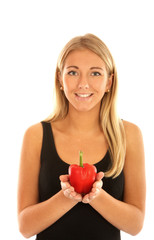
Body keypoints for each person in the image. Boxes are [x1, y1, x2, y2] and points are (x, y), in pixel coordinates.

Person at [17, 33, 146, 240]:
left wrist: (96, 196)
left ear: (109, 82)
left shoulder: (129, 135)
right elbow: (25, 226)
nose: (83, 84)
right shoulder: (36, 136)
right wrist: (67, 197)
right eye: (73, 72)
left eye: (95, 73)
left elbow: (135, 224)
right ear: (60, 79)